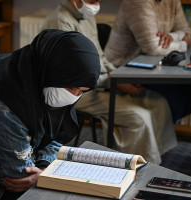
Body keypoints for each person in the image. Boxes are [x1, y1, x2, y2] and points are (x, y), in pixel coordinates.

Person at [40, 0, 177, 164]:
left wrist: (119, 76)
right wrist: (113, 83)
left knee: (158, 104)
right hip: (73, 91)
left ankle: (156, 159)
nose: (96, 5)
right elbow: (73, 76)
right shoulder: (60, 21)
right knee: (139, 117)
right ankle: (137, 167)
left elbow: (100, 57)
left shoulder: (86, 16)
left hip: (100, 82)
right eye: (92, 1)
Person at [0, 29, 100, 200]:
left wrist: (44, 168)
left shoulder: (46, 77)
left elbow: (56, 137)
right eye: (71, 88)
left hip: (28, 169)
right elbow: (17, 177)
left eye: (82, 91)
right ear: (53, 70)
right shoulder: (1, 100)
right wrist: (44, 175)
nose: (74, 96)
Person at [104, 0, 191, 121]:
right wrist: (184, 44)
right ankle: (153, 135)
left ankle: (156, 134)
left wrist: (172, 36)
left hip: (154, 65)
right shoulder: (136, 3)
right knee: (180, 99)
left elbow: (186, 31)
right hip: (124, 68)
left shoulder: (172, 2)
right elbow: (152, 47)